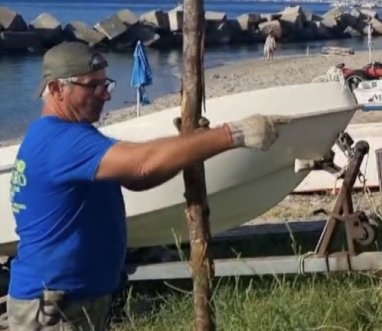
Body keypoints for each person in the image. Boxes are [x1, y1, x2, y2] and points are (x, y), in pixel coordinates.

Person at [8, 42, 290, 330]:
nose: (105, 94)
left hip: (71, 300)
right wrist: (234, 134)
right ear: (56, 89)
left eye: (106, 84)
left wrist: (192, 146)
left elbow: (138, 179)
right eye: (92, 86)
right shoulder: (61, 141)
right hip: (54, 308)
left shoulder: (67, 135)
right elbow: (143, 163)